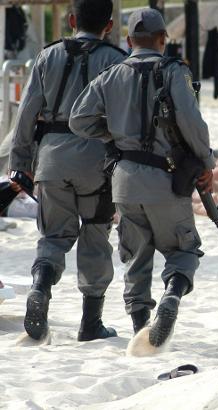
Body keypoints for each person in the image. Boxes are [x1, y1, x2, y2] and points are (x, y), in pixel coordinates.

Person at [70, 8, 215, 346]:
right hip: (164, 178)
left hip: (123, 181)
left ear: (128, 40)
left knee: (135, 256)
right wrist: (206, 163)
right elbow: (192, 123)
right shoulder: (173, 71)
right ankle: (172, 297)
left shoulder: (111, 74)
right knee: (183, 250)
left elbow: (79, 120)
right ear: (163, 39)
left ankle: (141, 329)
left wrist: (116, 136)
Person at [8, 0, 127, 342]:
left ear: (72, 20)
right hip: (96, 162)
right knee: (94, 234)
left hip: (51, 159)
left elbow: (26, 114)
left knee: (53, 236)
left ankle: (40, 288)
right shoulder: (115, 60)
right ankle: (91, 324)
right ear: (109, 24)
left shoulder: (47, 56)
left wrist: (20, 164)